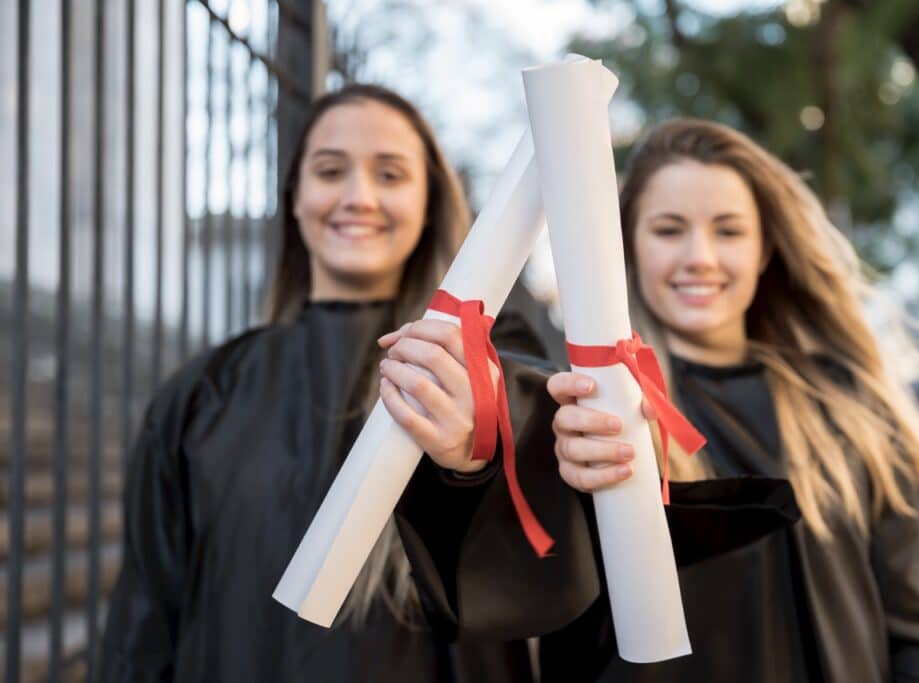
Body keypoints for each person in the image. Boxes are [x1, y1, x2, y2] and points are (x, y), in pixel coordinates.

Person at [97, 83, 583, 682]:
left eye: (389, 174)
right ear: (295, 197)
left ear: (428, 201)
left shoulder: (486, 366)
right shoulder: (202, 394)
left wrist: (473, 452)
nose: (358, 196)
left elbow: (550, 538)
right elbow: (145, 618)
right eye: (330, 171)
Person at [543, 118, 919, 682]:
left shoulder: (850, 409)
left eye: (728, 231)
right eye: (668, 229)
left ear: (765, 250)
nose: (699, 257)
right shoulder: (593, 418)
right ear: (629, 245)